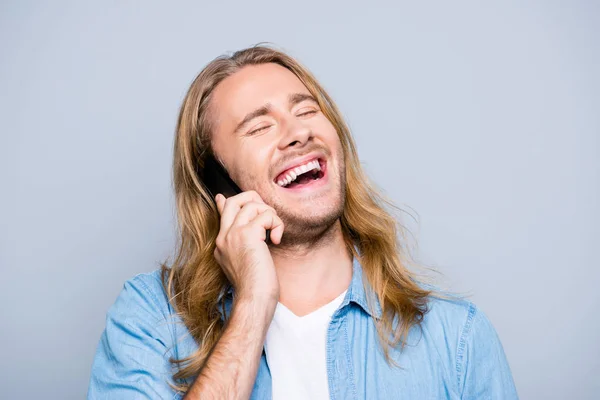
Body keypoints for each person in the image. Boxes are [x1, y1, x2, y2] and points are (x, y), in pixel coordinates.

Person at [87, 44, 518, 399]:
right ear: (219, 184)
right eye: (258, 127)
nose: (297, 133)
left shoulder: (457, 338)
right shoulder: (151, 319)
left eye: (307, 111)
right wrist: (253, 305)